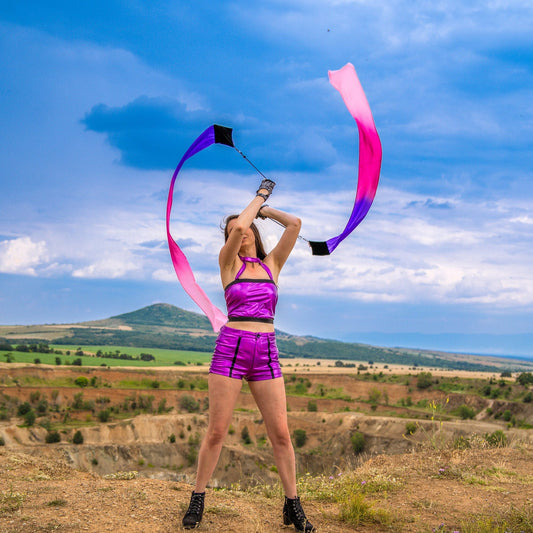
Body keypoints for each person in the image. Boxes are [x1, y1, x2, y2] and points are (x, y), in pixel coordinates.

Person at [182, 178, 315, 532]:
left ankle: (292, 505)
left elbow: (295, 224)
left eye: (243, 231)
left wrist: (266, 209)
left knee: (282, 435)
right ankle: (198, 497)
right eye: (230, 233)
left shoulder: (272, 265)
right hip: (231, 350)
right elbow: (240, 222)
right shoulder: (228, 265)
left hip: (266, 352)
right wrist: (260, 195)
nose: (238, 234)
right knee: (216, 433)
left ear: (255, 231)